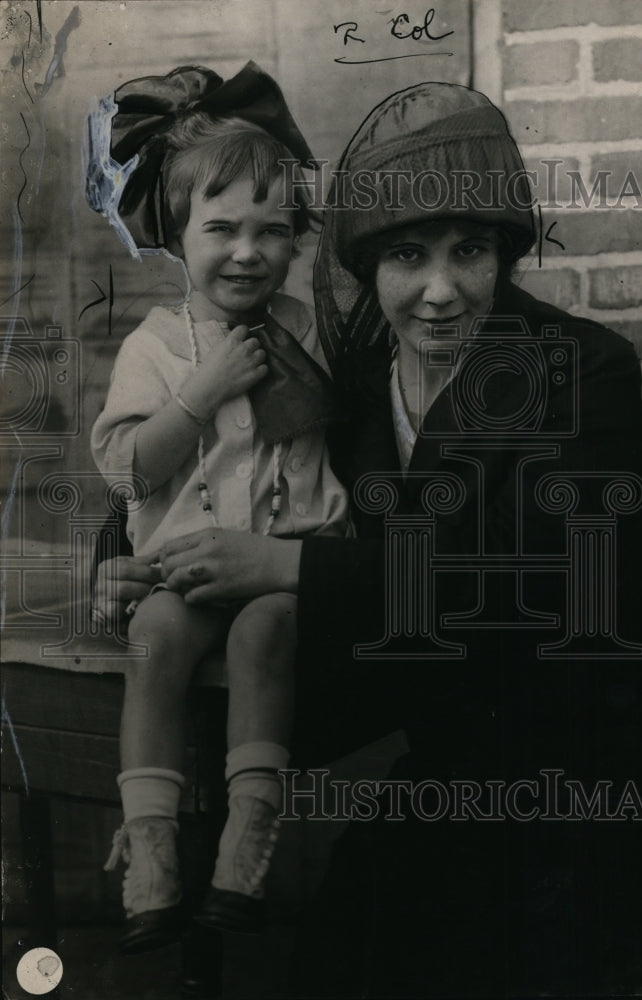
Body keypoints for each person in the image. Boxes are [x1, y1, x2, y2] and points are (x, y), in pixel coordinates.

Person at [96, 82, 642, 994]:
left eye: (469, 252)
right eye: (407, 254)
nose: (440, 292)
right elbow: (226, 474)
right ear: (368, 265)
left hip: (624, 750)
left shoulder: (580, 369)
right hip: (471, 736)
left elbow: (539, 574)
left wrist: (287, 564)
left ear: (503, 256)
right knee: (343, 955)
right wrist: (128, 567)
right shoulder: (356, 383)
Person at [88, 62, 350, 953]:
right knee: (155, 637)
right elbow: (125, 471)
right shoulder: (158, 347)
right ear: (176, 231)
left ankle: (250, 837)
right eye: (223, 229)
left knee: (264, 633)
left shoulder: (308, 324)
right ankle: (152, 843)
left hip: (283, 565)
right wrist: (199, 394)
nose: (248, 252)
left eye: (272, 232)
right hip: (186, 570)